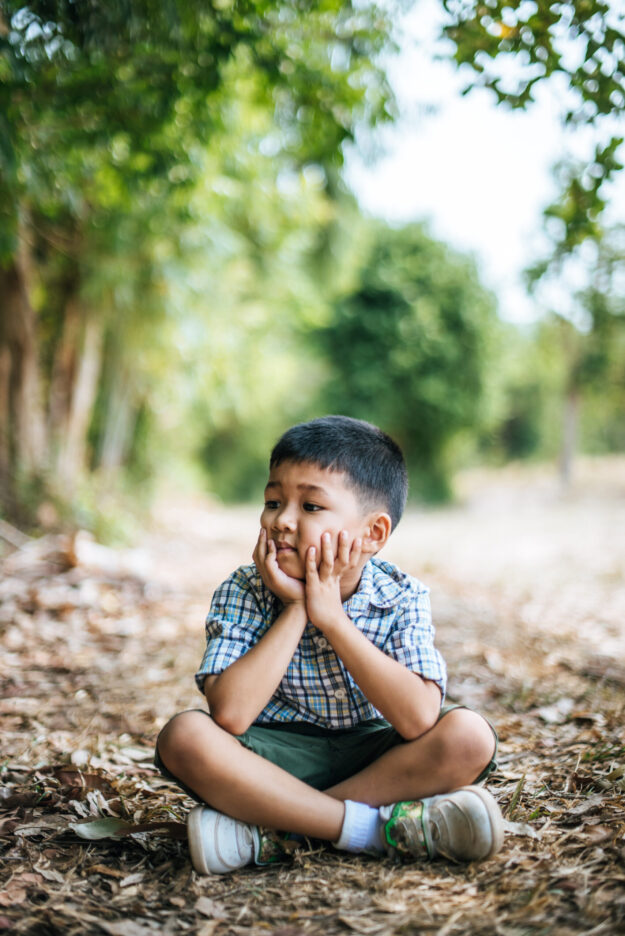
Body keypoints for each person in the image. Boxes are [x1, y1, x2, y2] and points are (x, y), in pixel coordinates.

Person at [155, 415, 503, 874]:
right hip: (274, 759)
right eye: (273, 501)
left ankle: (273, 830)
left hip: (379, 760)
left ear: (373, 533)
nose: (282, 521)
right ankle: (375, 831)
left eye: (311, 507)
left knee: (469, 736)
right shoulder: (245, 590)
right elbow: (232, 714)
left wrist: (333, 619)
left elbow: (419, 718)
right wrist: (298, 608)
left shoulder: (402, 595)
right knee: (185, 737)